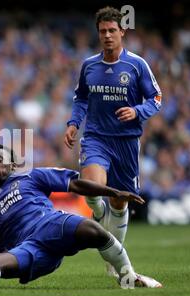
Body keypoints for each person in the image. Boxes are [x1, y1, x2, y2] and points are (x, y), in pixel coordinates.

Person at [0, 145, 162, 289]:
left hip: (51, 224)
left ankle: (127, 277)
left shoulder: (30, 176)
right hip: (28, 247)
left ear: (13, 165)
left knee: (94, 231)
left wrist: (114, 193)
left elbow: (76, 184)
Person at [64, 7, 162, 275]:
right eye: (102, 31)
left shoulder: (137, 65)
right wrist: (74, 123)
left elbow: (156, 98)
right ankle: (98, 214)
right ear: (98, 34)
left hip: (127, 142)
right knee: (93, 189)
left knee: (119, 202)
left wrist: (137, 111)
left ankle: (112, 257)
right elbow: (81, 98)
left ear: (122, 32)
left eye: (111, 31)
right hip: (96, 138)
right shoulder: (89, 65)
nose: (107, 35)